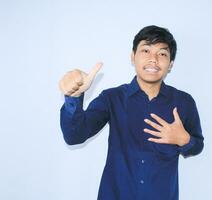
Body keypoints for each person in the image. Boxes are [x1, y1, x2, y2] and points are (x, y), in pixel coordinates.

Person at [59, 25, 204, 200]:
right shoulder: (112, 98)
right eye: (146, 51)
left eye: (162, 54)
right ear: (132, 57)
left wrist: (184, 140)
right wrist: (74, 97)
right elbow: (74, 136)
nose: (153, 59)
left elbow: (197, 145)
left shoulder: (183, 102)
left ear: (171, 64)